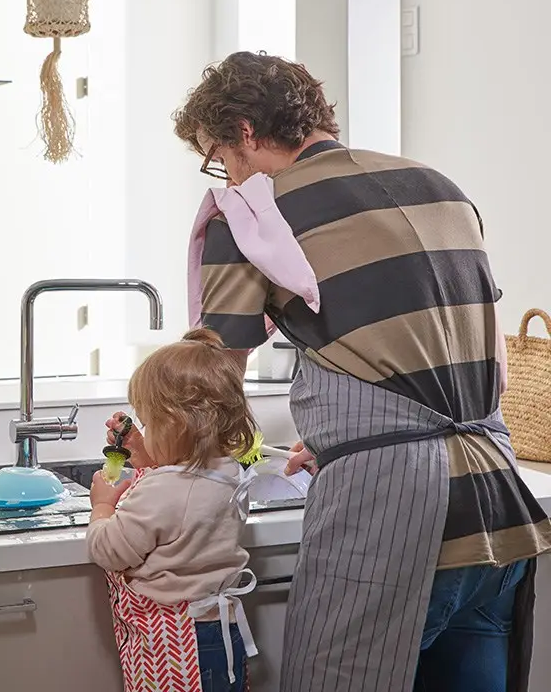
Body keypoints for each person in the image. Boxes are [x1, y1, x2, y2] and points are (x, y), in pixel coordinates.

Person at [172, 51, 551, 692]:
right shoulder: (439, 187)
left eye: (219, 156)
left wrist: (147, 468)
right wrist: (348, 439)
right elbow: (487, 370)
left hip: (390, 522)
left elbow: (211, 387)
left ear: (244, 131)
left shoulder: (251, 216)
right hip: (498, 507)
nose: (226, 175)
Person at [87, 328, 260, 692]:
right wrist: (144, 452)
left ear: (176, 425)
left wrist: (102, 505)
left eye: (148, 423)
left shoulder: (166, 490)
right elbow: (185, 494)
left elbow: (110, 550)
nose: (144, 430)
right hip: (217, 633)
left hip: (174, 646)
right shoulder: (228, 471)